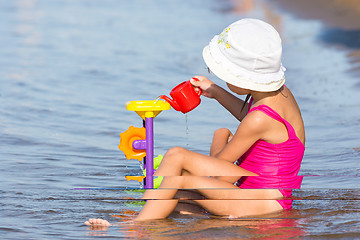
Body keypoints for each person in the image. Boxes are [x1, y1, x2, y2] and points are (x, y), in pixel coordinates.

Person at [85, 18, 305, 226]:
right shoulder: (281, 95)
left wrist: (190, 174)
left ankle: (137, 227)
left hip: (260, 203)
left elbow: (222, 172)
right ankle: (171, 210)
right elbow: (253, 117)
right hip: (267, 195)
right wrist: (216, 92)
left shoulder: (258, 120)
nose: (225, 79)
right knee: (217, 139)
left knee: (177, 159)